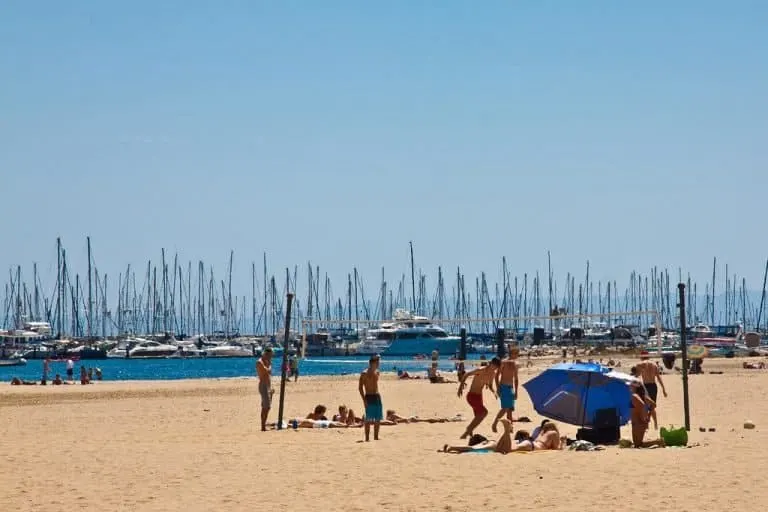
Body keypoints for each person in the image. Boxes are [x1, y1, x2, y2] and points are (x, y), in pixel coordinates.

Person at [457, 356, 501, 439]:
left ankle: (470, 433)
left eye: (496, 368)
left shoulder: (493, 374)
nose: (495, 369)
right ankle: (467, 431)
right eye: (494, 366)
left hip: (479, 397)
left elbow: (490, 385)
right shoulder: (480, 370)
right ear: (491, 363)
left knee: (478, 416)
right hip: (471, 396)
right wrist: (460, 388)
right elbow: (466, 374)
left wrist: (494, 392)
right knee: (484, 413)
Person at [491, 346, 519, 433]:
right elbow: (496, 376)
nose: (517, 356)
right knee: (505, 408)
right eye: (516, 354)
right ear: (512, 353)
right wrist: (498, 388)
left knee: (510, 410)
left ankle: (510, 429)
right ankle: (494, 424)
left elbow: (516, 379)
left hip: (511, 388)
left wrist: (516, 392)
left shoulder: (515, 364)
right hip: (503, 387)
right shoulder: (503, 362)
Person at [631, 383, 664, 448]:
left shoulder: (634, 395)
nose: (631, 388)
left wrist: (643, 415)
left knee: (637, 444)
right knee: (638, 444)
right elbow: (654, 404)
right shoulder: (643, 396)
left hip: (638, 421)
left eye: (632, 386)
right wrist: (648, 416)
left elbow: (642, 404)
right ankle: (658, 441)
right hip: (641, 421)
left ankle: (658, 441)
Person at [359, 355, 383, 441]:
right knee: (369, 418)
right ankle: (367, 438)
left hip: (377, 396)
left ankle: (376, 437)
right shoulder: (364, 373)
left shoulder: (377, 372)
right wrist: (364, 400)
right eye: (377, 362)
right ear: (372, 363)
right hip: (368, 396)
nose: (379, 364)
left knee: (378, 418)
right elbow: (360, 388)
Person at [256, 347, 274, 432]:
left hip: (268, 385)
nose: (271, 357)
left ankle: (264, 424)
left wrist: (272, 387)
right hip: (263, 386)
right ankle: (263, 426)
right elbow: (266, 371)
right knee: (265, 406)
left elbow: (269, 375)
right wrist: (269, 365)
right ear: (266, 354)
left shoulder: (267, 362)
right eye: (270, 355)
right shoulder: (260, 362)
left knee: (268, 407)